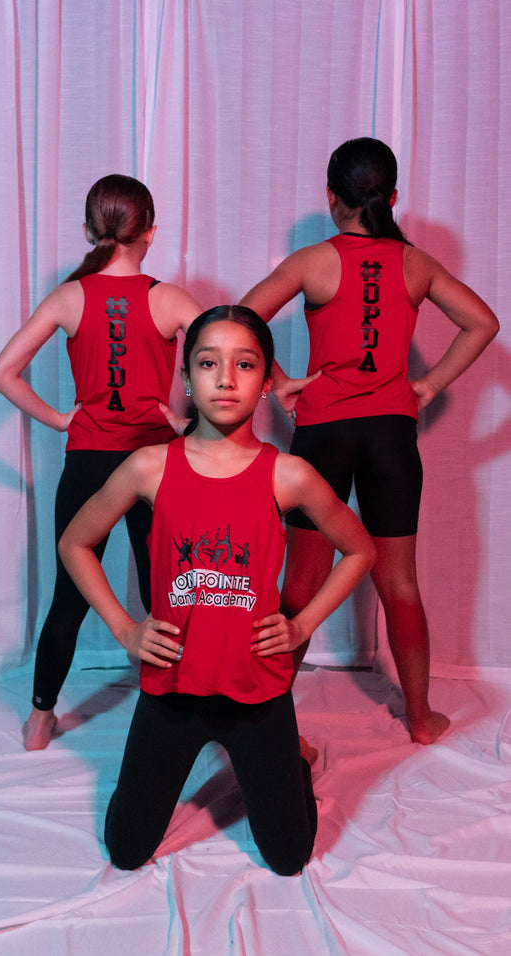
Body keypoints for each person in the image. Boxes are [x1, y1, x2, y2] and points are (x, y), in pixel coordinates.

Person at [58, 306, 375, 875]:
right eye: (208, 363)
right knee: (127, 852)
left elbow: (360, 549)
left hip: (256, 690)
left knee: (288, 859)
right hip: (173, 686)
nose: (225, 378)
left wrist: (302, 625)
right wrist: (125, 629)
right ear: (186, 378)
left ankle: (292, 760)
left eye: (244, 364)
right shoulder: (149, 467)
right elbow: (75, 543)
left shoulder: (288, 474)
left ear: (267, 380)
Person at [240, 137, 499, 746]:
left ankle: (266, 723)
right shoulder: (415, 263)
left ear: (332, 197)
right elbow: (483, 322)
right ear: (393, 197)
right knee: (399, 583)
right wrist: (427, 385)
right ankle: (420, 717)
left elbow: (239, 317)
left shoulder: (313, 261)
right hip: (390, 439)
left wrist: (279, 386)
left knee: (301, 585)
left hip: (324, 437)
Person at [0, 174, 201, 751]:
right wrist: (186, 424)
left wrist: (62, 419)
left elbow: (0, 373)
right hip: (156, 465)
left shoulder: (69, 295)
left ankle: (38, 721)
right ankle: (179, 713)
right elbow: (230, 353)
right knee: (170, 591)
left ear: (89, 230)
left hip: (88, 463)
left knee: (71, 592)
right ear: (151, 233)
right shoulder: (171, 298)